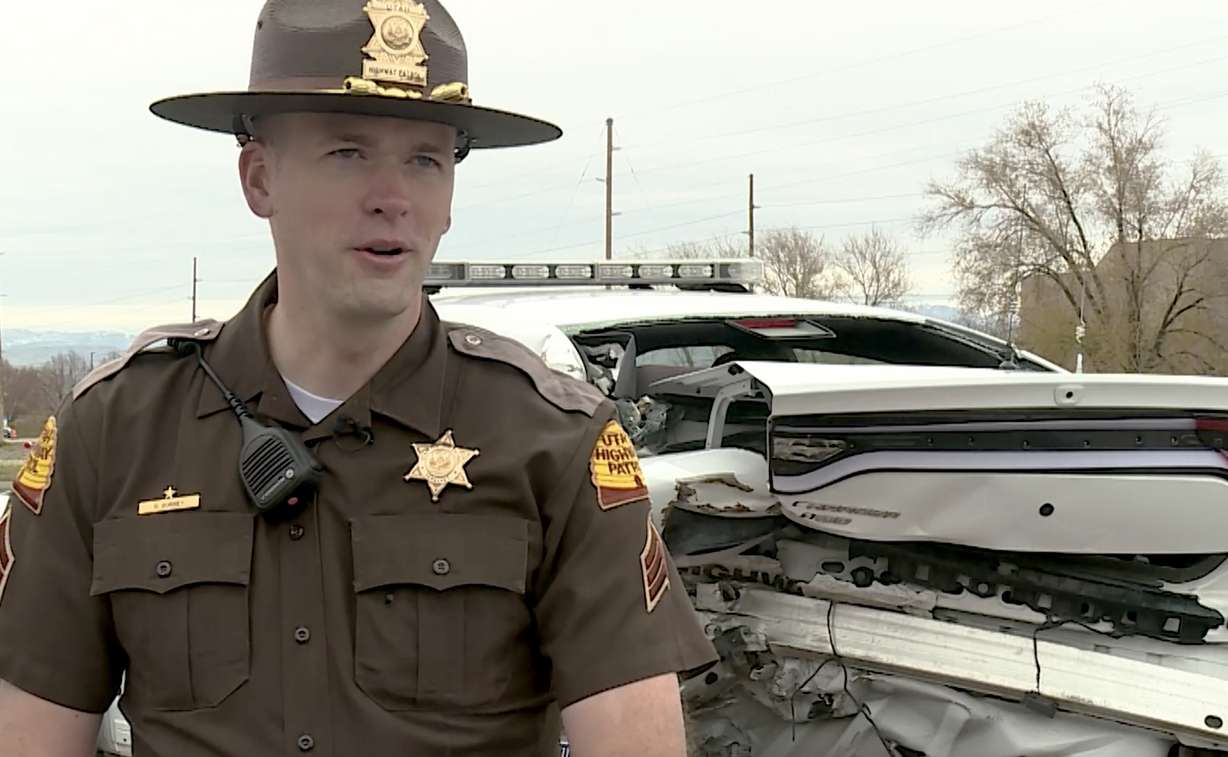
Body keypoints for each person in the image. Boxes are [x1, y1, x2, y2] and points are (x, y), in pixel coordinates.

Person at [0, 1, 717, 755]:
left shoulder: (552, 441)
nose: (392, 196)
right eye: (348, 152)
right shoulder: (116, 431)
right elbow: (31, 731)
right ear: (259, 178)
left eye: (425, 160)